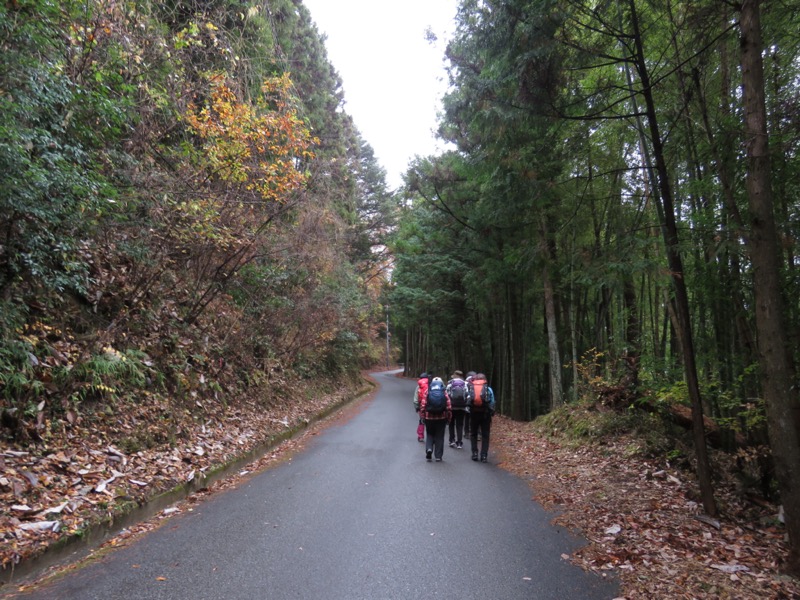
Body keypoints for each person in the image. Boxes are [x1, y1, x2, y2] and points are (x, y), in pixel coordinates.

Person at [420, 376, 452, 462]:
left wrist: (422, 416)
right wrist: (448, 418)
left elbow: (423, 405)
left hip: (429, 418)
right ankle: (438, 456)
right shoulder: (444, 392)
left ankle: (429, 449)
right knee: (439, 436)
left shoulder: (428, 391)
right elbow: (449, 406)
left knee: (430, 434)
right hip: (441, 418)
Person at [466, 372, 495, 462]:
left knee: (473, 434)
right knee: (485, 435)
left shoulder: (471, 388)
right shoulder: (488, 389)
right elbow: (492, 401)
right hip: (485, 414)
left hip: (474, 414)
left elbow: (467, 400)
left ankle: (474, 453)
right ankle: (484, 456)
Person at [446, 370, 468, 449]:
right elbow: (467, 395)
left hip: (452, 407)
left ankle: (452, 440)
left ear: (454, 375)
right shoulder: (464, 384)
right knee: (460, 425)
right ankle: (459, 442)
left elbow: (447, 395)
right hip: (462, 407)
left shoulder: (450, 383)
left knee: (451, 424)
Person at [413, 372, 430, 442]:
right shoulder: (431, 384)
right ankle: (430, 436)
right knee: (429, 421)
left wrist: (417, 407)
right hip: (430, 406)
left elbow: (415, 399)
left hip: (421, 406)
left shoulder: (419, 386)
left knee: (421, 421)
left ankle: (420, 436)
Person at [463, 371, 476, 438]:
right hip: (475, 403)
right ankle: (476, 433)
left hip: (467, 403)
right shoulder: (477, 381)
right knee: (474, 418)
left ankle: (466, 432)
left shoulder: (465, 383)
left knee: (467, 418)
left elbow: (463, 393)